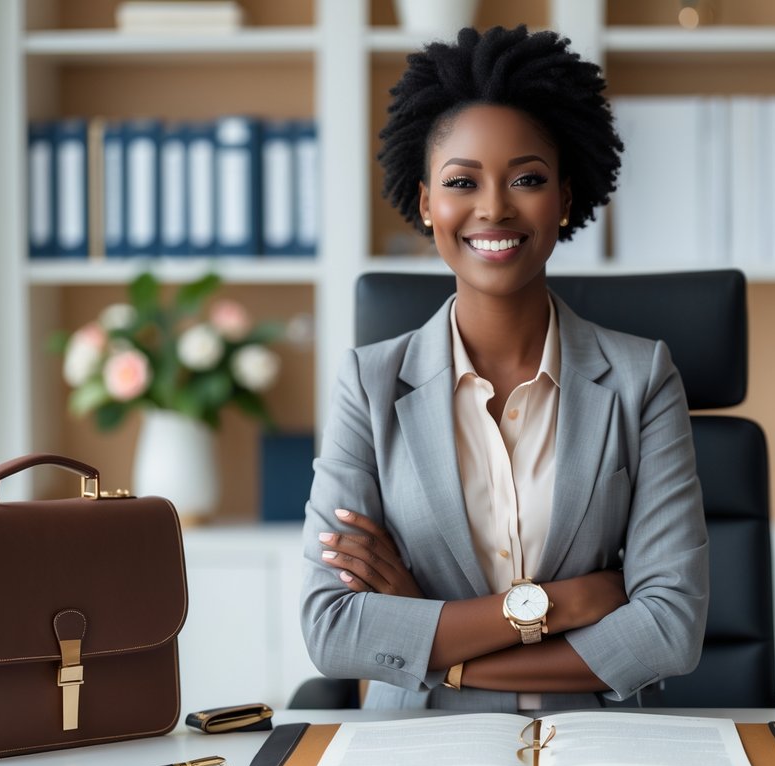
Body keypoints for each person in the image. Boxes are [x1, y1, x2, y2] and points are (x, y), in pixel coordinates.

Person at [301, 25, 708, 711]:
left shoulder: (641, 379)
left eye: (527, 179)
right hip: (417, 751)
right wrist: (560, 602)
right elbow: (333, 631)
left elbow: (669, 630)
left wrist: (433, 645)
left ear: (565, 199)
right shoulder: (368, 387)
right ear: (427, 202)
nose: (493, 207)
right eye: (462, 182)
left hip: (595, 749)